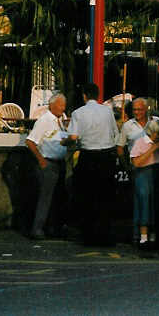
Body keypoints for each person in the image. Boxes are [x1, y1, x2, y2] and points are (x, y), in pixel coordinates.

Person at [67, 83, 119, 246]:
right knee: (105, 197)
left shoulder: (78, 113)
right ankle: (105, 235)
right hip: (106, 156)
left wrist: (65, 141)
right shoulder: (107, 111)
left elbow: (74, 137)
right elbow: (114, 133)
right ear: (97, 95)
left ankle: (89, 235)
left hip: (88, 156)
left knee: (87, 197)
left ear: (84, 95)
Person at [24, 93, 69, 240]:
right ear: (52, 105)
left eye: (64, 105)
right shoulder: (44, 121)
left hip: (59, 162)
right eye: (60, 105)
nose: (63, 108)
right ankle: (37, 228)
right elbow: (30, 142)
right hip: (48, 163)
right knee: (45, 198)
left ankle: (52, 228)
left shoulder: (60, 120)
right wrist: (41, 160)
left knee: (57, 198)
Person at [130, 118, 159, 248]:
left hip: (155, 175)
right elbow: (136, 162)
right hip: (143, 175)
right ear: (151, 132)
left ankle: (153, 236)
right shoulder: (140, 142)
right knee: (143, 203)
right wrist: (152, 149)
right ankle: (142, 237)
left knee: (154, 204)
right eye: (157, 133)